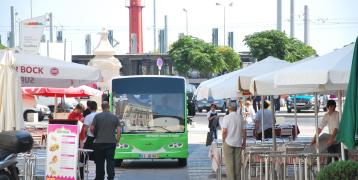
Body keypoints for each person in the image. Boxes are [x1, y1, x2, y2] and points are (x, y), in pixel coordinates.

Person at [91, 101, 121, 180]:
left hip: (99, 143)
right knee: (110, 161)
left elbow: (92, 128)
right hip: (111, 143)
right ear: (109, 107)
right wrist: (117, 140)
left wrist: (95, 136)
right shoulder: (114, 117)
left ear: (102, 107)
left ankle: (100, 177)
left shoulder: (97, 116)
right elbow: (119, 130)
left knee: (99, 162)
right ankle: (110, 177)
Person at [221, 102, 246, 180]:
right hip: (238, 143)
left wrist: (223, 140)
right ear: (236, 108)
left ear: (229, 109)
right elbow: (244, 131)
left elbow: (224, 131)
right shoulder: (240, 117)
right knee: (237, 165)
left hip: (228, 142)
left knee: (229, 165)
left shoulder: (227, 117)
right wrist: (244, 142)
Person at [79, 101, 98, 179]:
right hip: (98, 140)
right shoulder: (99, 115)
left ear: (89, 108)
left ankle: (82, 177)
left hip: (90, 140)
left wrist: (83, 140)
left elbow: (85, 130)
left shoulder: (88, 117)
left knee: (82, 159)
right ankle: (98, 176)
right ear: (96, 108)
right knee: (98, 160)